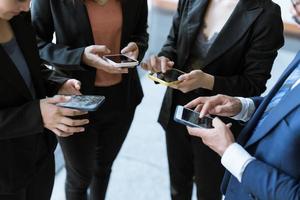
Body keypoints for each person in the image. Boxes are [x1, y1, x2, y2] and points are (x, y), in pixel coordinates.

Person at [142, 0, 284, 199]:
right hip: (177, 108)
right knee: (177, 186)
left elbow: (254, 84)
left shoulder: (266, 13)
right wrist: (164, 60)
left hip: (219, 121)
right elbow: (172, 43)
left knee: (209, 191)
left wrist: (208, 81)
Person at [30, 0, 149, 199]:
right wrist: (80, 57)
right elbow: (35, 43)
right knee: (79, 177)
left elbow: (141, 33)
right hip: (75, 97)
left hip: (122, 98)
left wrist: (138, 47)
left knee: (103, 168)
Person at [185, 2, 300, 199]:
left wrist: (230, 153)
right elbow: (286, 105)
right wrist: (242, 106)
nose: (293, 12)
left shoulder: (266, 13)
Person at [0, 0, 90, 200]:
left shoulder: (18, 17)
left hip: (39, 154)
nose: (26, 7)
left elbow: (32, 66)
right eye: (18, 0)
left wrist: (58, 83)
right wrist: (37, 115)